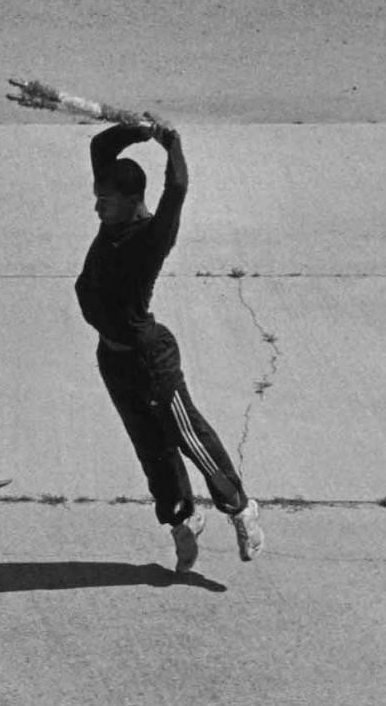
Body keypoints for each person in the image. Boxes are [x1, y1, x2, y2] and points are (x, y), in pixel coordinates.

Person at [75, 118, 262, 570]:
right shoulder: (114, 212)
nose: (97, 209)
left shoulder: (152, 237)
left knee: (188, 437)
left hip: (149, 361)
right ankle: (183, 520)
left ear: (132, 201)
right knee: (149, 448)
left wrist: (172, 144)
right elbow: (102, 144)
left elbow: (176, 185)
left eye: (105, 202)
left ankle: (241, 509)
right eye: (97, 199)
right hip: (113, 359)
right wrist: (138, 131)